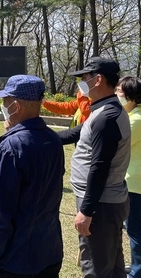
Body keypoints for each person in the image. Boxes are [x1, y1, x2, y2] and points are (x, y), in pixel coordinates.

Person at [0, 75, 64, 278]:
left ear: (15, 106)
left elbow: (0, 205)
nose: (2, 106)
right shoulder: (53, 139)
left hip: (17, 258)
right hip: (49, 249)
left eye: (5, 102)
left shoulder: (12, 147)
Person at [57, 57, 130, 278]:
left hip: (101, 205)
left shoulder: (107, 117)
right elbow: (75, 133)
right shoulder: (102, 110)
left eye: (85, 78)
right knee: (112, 266)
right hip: (106, 202)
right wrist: (37, 135)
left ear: (98, 80)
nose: (81, 83)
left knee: (96, 268)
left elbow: (99, 167)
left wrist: (87, 211)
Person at [116, 76, 141, 277]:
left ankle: (136, 272)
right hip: (134, 181)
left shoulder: (136, 120)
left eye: (120, 91)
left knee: (135, 232)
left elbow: (117, 144)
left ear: (132, 96)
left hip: (135, 183)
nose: (117, 95)